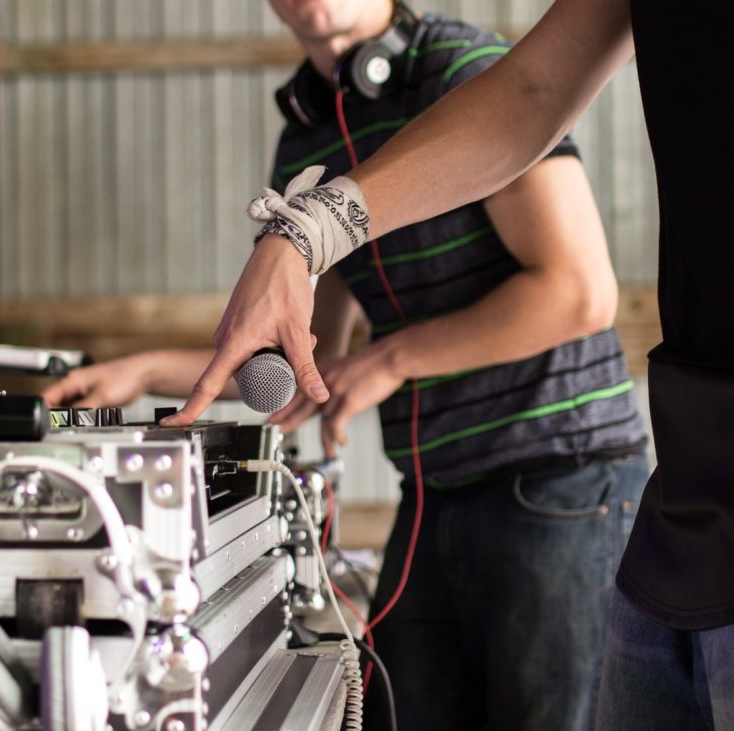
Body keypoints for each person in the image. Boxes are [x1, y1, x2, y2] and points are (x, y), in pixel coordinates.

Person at [45, 1, 651, 728]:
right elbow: (309, 355)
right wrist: (143, 372)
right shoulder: (307, 137)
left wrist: (392, 357)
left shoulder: (465, 71)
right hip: (435, 492)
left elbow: (578, 293)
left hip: (562, 483)